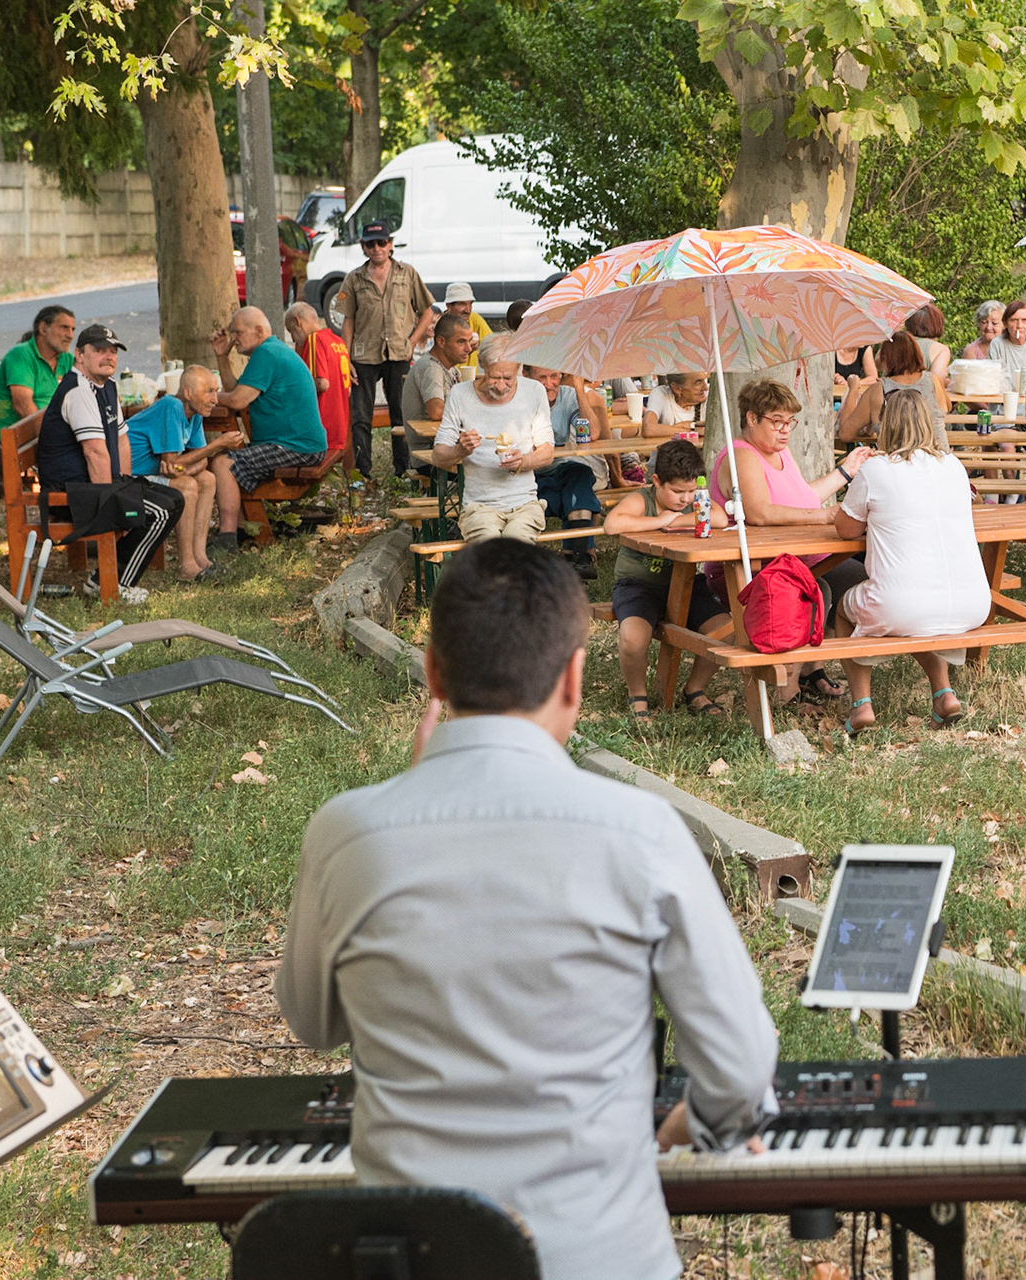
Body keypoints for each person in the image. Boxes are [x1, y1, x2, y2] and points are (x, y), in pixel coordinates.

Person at [276, 538, 777, 1280]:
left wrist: (403, 809)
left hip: (415, 1260)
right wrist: (694, 1123)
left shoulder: (346, 832)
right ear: (574, 679)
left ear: (436, 676)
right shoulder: (640, 833)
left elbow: (313, 1024)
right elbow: (740, 1070)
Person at [833, 390, 986, 736]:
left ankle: (862, 705)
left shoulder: (876, 469)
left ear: (886, 424)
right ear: (929, 423)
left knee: (845, 611)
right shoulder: (953, 466)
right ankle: (944, 694)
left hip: (903, 604)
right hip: (972, 602)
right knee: (919, 621)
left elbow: (845, 529)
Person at [710, 379, 874, 703]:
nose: (786, 430)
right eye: (777, 422)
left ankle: (815, 668)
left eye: (790, 422)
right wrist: (828, 517)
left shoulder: (780, 452)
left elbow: (803, 499)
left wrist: (846, 472)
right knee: (815, 591)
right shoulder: (742, 455)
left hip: (799, 559)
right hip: (749, 568)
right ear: (752, 418)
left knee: (859, 580)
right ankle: (787, 692)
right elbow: (761, 513)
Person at [35, 324, 181, 603]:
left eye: (113, 352)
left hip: (92, 483)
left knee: (174, 499)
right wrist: (115, 502)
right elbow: (95, 453)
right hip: (69, 492)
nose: (108, 357)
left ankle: (107, 579)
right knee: (159, 511)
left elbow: (122, 441)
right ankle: (111, 584)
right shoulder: (78, 391)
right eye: (99, 351)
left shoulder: (106, 385)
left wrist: (125, 484)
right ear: (79, 355)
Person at [601, 439, 733, 720]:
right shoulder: (642, 499)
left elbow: (720, 518)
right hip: (639, 584)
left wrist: (673, 520)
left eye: (690, 491)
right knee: (633, 639)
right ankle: (638, 696)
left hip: (685, 583)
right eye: (676, 491)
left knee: (727, 630)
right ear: (657, 481)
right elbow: (612, 524)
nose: (685, 500)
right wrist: (659, 521)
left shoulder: (693, 500)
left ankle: (694, 689)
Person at [208, 307, 331, 555]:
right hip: (297, 444)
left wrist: (203, 396)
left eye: (237, 332)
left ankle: (228, 537)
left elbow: (236, 400)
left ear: (259, 331)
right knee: (226, 461)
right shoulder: (270, 352)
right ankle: (242, 529)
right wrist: (222, 356)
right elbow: (237, 390)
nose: (233, 338)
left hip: (297, 447)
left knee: (223, 464)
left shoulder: (267, 354)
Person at [337, 221, 437, 478]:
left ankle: (403, 470)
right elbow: (348, 320)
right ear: (363, 247)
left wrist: (412, 342)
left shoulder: (407, 273)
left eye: (382, 242)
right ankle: (363, 474)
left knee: (401, 414)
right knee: (360, 416)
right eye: (371, 244)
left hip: (398, 353)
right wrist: (345, 357)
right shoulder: (354, 278)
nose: (377, 248)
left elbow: (426, 312)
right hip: (363, 354)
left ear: (390, 244)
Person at [432, 335, 554, 543]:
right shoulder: (460, 395)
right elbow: (438, 457)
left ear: (518, 369)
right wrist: (460, 451)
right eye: (494, 378)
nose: (500, 386)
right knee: (490, 552)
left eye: (508, 379)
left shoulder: (534, 391)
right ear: (482, 367)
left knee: (515, 546)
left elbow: (547, 453)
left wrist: (523, 461)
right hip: (479, 506)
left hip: (524, 504)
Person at [125, 365, 242, 582]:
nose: (215, 399)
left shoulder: (195, 413)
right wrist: (217, 444)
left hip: (151, 475)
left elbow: (199, 461)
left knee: (207, 479)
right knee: (187, 485)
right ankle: (186, 565)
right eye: (209, 391)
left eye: (215, 391)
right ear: (187, 393)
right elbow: (173, 461)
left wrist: (185, 466)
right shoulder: (172, 406)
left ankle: (200, 558)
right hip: (128, 478)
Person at [524, 363, 607, 579]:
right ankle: (578, 556)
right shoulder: (519, 398)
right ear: (526, 376)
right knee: (575, 493)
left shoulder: (568, 394)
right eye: (542, 377)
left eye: (554, 376)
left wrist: (579, 388)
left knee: (579, 473)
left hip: (559, 470)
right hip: (526, 474)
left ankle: (579, 558)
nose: (550, 384)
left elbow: (594, 433)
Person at [0, 305, 74, 463]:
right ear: (43, 328)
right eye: (64, 327)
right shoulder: (21, 355)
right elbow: (23, 406)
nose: (70, 335)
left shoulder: (66, 359)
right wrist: (56, 441)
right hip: (15, 440)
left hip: (48, 436)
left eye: (72, 329)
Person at [837, 332, 947, 444]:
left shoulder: (878, 390)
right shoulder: (934, 380)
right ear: (916, 353)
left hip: (897, 459)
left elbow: (846, 434)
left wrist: (853, 389)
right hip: (939, 456)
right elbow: (947, 406)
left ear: (886, 358)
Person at [283, 302, 353, 461]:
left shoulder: (315, 339)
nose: (293, 338)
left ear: (298, 321)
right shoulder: (338, 342)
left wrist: (291, 384)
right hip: (339, 426)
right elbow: (346, 389)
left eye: (291, 331)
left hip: (321, 426)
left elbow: (322, 383)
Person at [408, 313, 473, 423]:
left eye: (469, 341)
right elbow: (436, 412)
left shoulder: (452, 370)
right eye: (461, 342)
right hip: (430, 439)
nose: (469, 348)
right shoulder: (431, 368)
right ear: (441, 342)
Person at [440, 281, 494, 366]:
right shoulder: (440, 325)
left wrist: (479, 344)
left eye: (470, 304)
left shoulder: (474, 319)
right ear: (449, 306)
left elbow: (493, 343)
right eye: (462, 304)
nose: (468, 310)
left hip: (470, 377)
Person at [642, 373, 709, 439]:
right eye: (698, 382)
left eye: (704, 380)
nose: (706, 388)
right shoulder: (661, 393)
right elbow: (648, 429)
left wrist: (686, 426)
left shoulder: (710, 397)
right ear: (677, 388)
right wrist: (694, 430)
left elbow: (718, 428)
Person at [903, 303, 952, 381]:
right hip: (918, 392)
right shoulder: (940, 349)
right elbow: (937, 380)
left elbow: (879, 364)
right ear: (937, 324)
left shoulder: (894, 342)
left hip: (888, 392)